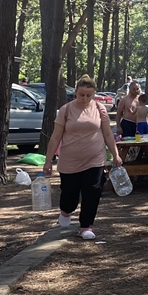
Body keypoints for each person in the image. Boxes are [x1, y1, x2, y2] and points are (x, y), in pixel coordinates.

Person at [43, 75, 122, 241]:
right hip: (70, 160)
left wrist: (115, 154)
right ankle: (66, 210)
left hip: (95, 159)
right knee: (70, 195)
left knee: (92, 192)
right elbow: (56, 136)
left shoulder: (100, 109)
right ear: (76, 93)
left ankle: (86, 226)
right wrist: (48, 160)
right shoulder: (66, 110)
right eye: (81, 95)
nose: (85, 98)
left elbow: (108, 133)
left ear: (94, 94)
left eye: (89, 95)